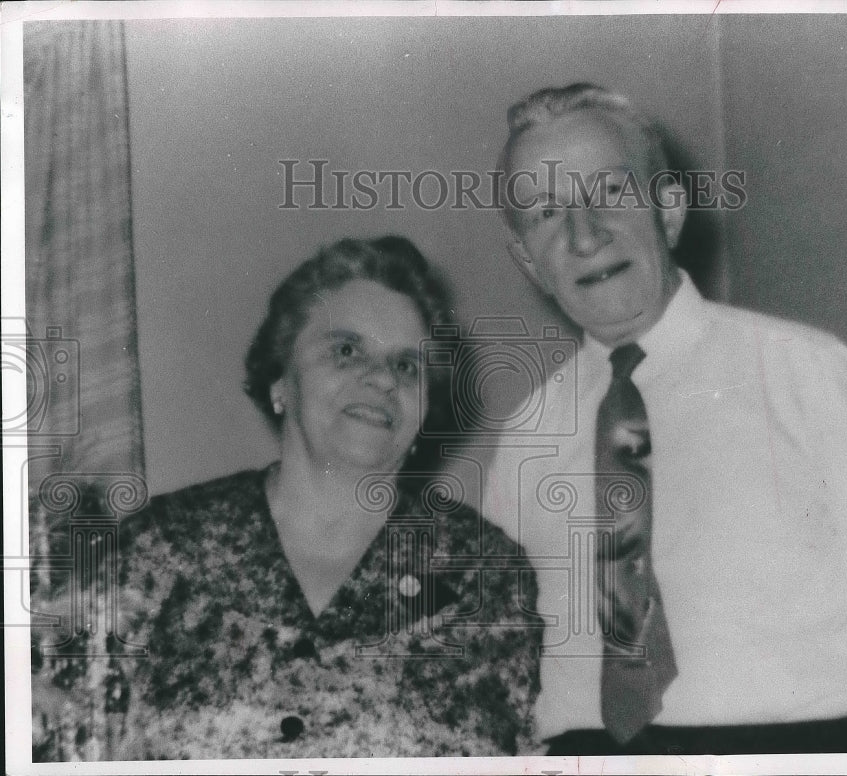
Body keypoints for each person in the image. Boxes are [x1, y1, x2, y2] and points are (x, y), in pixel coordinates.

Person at [483, 83, 847, 755]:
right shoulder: (527, 434)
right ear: (528, 262)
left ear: (668, 211)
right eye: (546, 213)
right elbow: (500, 668)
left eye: (611, 192)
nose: (584, 234)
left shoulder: (809, 374)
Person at [31, 236, 541, 759]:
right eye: (346, 351)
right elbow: (65, 736)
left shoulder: (485, 572)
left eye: (408, 366)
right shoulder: (155, 546)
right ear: (280, 382)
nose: (382, 379)